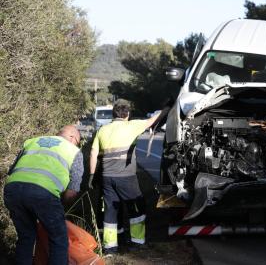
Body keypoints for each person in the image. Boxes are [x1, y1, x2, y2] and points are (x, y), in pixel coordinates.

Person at [89, 101, 170, 254]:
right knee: (137, 206)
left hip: (106, 176)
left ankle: (110, 248)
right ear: (127, 114)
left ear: (113, 114)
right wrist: (167, 107)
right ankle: (137, 242)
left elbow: (93, 153)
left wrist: (92, 175)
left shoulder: (103, 129)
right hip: (125, 176)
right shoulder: (131, 125)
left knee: (110, 210)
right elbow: (153, 120)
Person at [4, 125, 84, 265]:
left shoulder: (32, 141)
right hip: (43, 194)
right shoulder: (74, 151)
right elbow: (72, 191)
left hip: (13, 190)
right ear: (73, 138)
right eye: (78, 141)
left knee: (26, 236)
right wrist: (60, 209)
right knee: (58, 238)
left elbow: (12, 170)